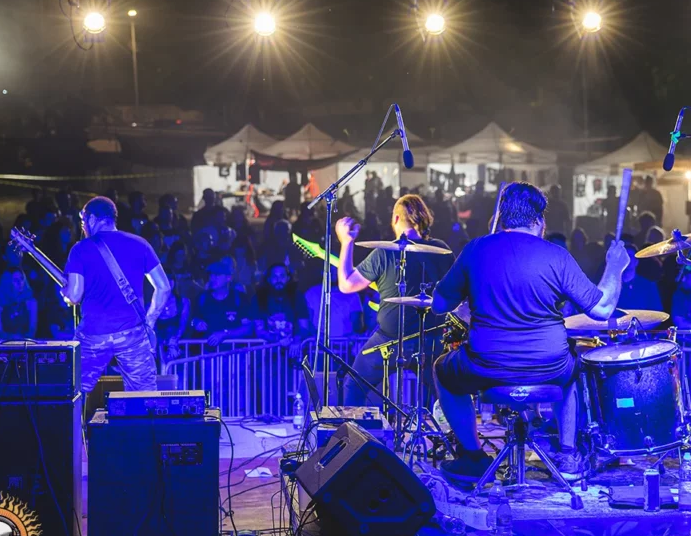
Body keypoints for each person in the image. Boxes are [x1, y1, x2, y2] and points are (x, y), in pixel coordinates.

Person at [430, 182, 630, 483]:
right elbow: (601, 311)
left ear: (503, 216)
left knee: (441, 371)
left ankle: (472, 458)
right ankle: (568, 454)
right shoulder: (556, 256)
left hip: (487, 365)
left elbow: (439, 304)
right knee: (572, 371)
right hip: (548, 365)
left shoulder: (475, 250)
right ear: (540, 221)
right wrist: (615, 267)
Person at [336, 194, 455, 407]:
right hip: (431, 339)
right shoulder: (441, 251)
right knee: (445, 396)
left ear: (397, 219)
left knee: (355, 384)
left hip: (390, 341)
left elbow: (346, 284)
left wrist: (346, 242)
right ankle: (446, 436)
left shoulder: (385, 252)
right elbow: (455, 292)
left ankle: (355, 436)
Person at [62, 196, 171, 394]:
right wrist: (150, 320)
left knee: (74, 392)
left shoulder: (80, 249)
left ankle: (78, 425)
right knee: (143, 395)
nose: (83, 227)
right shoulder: (140, 244)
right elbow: (163, 287)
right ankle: (140, 424)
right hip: (132, 334)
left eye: (83, 221)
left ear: (93, 219)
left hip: (94, 334)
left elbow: (75, 296)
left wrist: (66, 294)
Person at [191, 260, 253, 346]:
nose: (212, 279)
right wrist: (196, 323)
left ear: (229, 278)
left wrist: (225, 334)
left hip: (235, 354)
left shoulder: (240, 298)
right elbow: (191, 321)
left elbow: (248, 329)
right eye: (211, 275)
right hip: (209, 354)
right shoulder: (202, 298)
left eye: (217, 275)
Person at [251, 263, 311, 346]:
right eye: (275, 277)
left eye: (282, 276)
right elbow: (259, 330)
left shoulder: (297, 297)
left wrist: (296, 339)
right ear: (268, 279)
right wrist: (278, 339)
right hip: (267, 354)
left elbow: (304, 327)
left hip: (292, 353)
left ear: (288, 278)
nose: (278, 280)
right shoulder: (259, 298)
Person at [0, 269, 37, 340]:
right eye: (15, 280)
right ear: (7, 283)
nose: (20, 283)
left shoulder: (31, 302)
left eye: (22, 279)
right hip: (4, 346)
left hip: (26, 344)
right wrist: (13, 338)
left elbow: (32, 331)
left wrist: (22, 339)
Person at [617, 245, 662, 311]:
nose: (626, 259)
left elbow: (657, 313)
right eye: (623, 256)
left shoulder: (648, 286)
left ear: (636, 262)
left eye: (630, 256)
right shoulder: (611, 285)